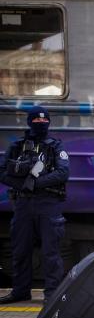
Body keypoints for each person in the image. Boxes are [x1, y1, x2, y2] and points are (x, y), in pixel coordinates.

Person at [0, 106, 69, 305]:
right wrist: (22, 185)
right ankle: (20, 291)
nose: (40, 124)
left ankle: (52, 295)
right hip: (23, 203)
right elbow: (2, 171)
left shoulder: (56, 146)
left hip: (48, 203)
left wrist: (36, 183)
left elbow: (63, 173)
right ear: (29, 122)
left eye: (43, 121)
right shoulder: (17, 146)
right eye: (36, 121)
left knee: (51, 252)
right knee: (20, 250)